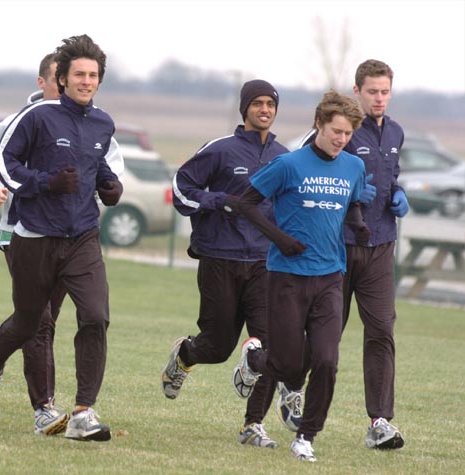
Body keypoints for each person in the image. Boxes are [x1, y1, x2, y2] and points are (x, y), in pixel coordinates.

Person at [0, 34, 122, 442]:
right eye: (79, 74)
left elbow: (100, 169)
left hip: (83, 238)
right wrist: (45, 183)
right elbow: (4, 164)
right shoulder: (36, 117)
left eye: (93, 75)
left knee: (95, 315)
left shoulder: (103, 123)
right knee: (30, 323)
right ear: (62, 77)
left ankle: (82, 412)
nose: (86, 81)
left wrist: (110, 186)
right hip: (34, 237)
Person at [231, 90, 369, 462]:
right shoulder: (289, 164)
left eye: (347, 134)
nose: (341, 139)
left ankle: (306, 436)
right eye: (335, 131)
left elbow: (353, 201)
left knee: (326, 360)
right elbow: (244, 203)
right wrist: (281, 239)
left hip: (329, 278)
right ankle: (254, 360)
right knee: (288, 366)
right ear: (318, 125)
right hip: (287, 276)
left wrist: (358, 227)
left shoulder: (353, 167)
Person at [162, 79, 301, 448]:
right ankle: (185, 354)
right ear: (245, 109)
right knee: (218, 347)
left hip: (264, 264)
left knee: (269, 346)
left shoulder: (285, 158)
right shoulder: (220, 150)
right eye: (257, 103)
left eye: (271, 104)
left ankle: (252, 425)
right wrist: (220, 200)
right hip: (220, 258)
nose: (265, 109)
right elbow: (181, 189)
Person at [297, 60, 407, 450]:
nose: (379, 98)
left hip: (380, 248)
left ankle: (379, 422)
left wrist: (396, 193)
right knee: (325, 336)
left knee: (381, 331)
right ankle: (290, 387)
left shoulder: (395, 132)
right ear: (357, 91)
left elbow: (390, 175)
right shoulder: (340, 130)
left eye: (385, 91)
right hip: (337, 249)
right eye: (372, 91)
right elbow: (303, 174)